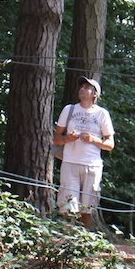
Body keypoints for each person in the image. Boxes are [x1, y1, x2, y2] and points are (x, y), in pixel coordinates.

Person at [53, 76, 114, 226]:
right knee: (67, 206)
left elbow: (110, 144)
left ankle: (85, 241)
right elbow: (56, 138)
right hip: (70, 163)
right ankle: (69, 239)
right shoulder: (69, 110)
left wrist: (94, 140)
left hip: (92, 165)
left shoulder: (102, 114)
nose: (82, 89)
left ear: (95, 94)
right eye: (81, 87)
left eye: (87, 87)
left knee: (87, 208)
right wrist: (68, 138)